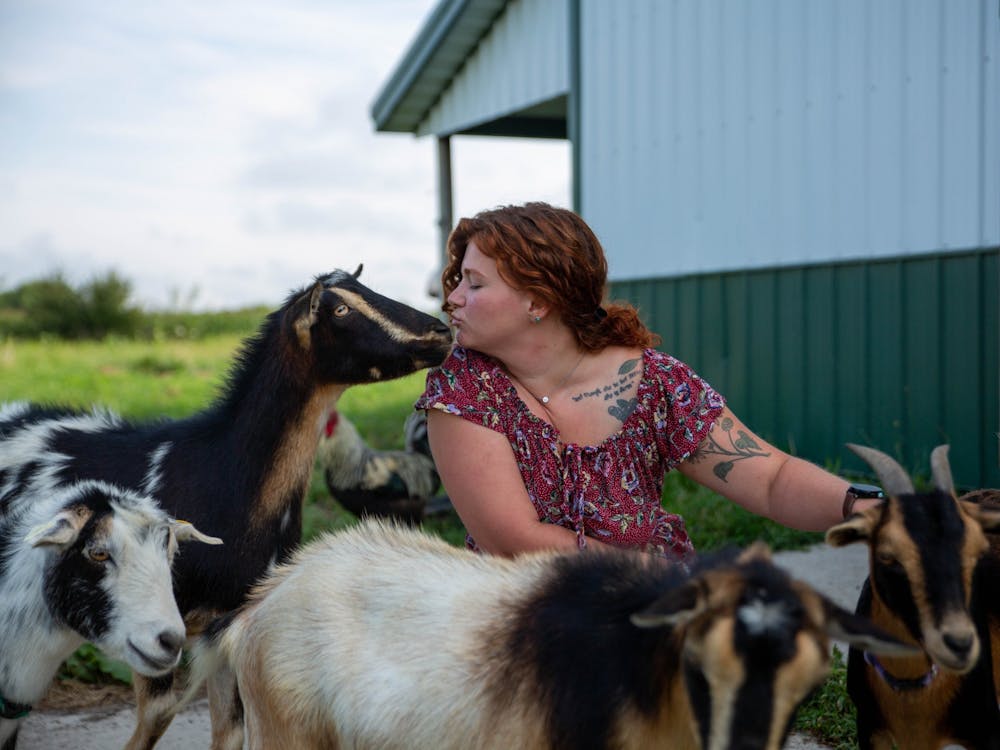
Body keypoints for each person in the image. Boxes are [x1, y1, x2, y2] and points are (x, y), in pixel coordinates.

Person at [415, 202, 880, 559]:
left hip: (661, 614)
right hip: (533, 622)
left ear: (538, 301)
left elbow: (771, 480)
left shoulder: (655, 383)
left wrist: (861, 507)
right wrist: (653, 579)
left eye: (473, 284)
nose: (451, 299)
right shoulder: (463, 390)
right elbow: (515, 542)